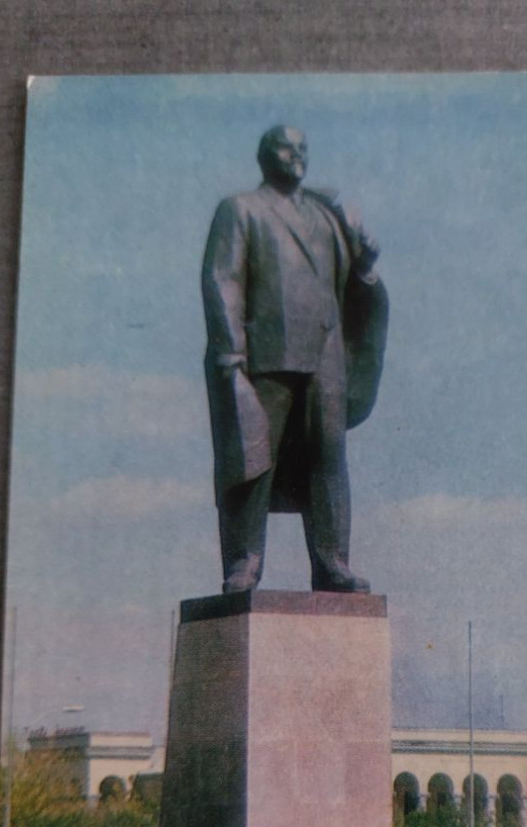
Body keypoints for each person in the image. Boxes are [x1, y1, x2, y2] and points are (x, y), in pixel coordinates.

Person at [201, 125, 389, 594]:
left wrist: (366, 265)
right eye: (287, 147)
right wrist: (230, 354)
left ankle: (333, 563)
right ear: (265, 156)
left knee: (329, 461)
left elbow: (351, 286)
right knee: (254, 459)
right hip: (267, 355)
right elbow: (222, 279)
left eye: (304, 148)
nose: (297, 155)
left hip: (326, 358)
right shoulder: (241, 209)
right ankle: (244, 563)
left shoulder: (328, 216)